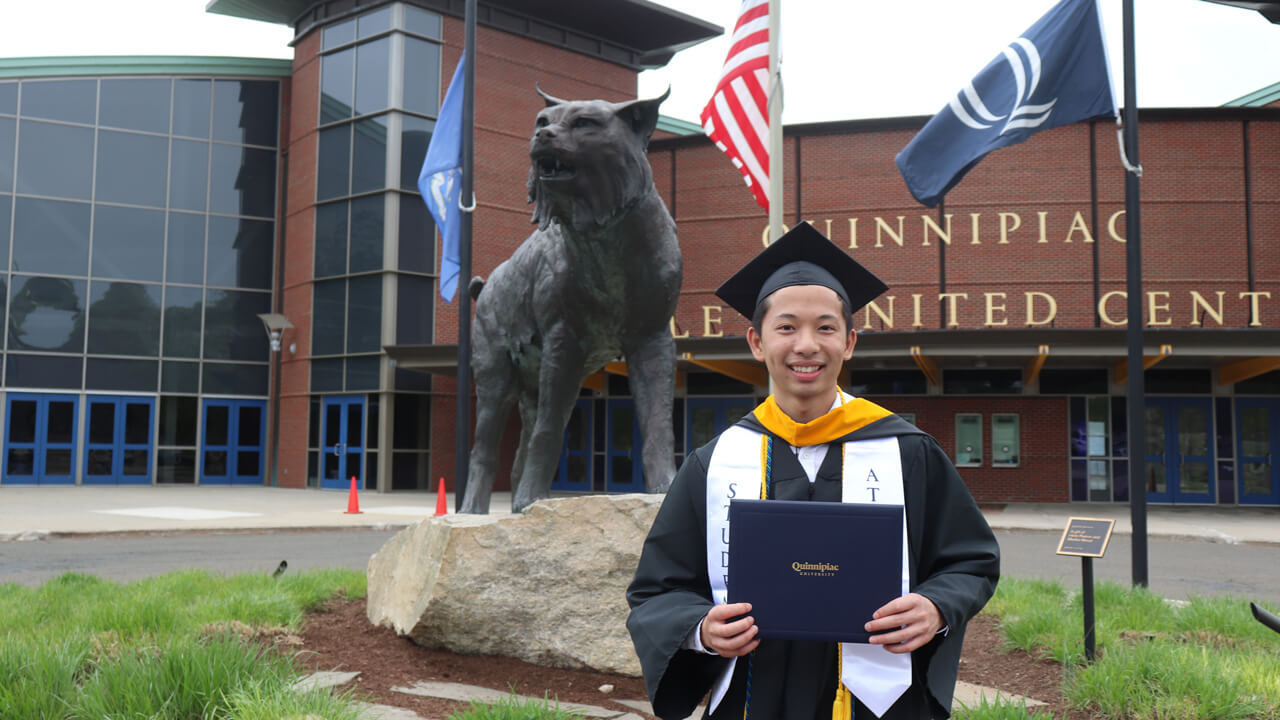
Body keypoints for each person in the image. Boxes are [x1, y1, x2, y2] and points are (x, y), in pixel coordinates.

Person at [626, 222, 1000, 720]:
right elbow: (658, 589)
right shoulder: (714, 463)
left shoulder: (907, 452)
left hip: (877, 701)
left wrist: (935, 608)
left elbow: (970, 561)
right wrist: (701, 629)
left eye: (825, 328)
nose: (806, 345)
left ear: (849, 342)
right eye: (786, 328)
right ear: (757, 342)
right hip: (752, 697)